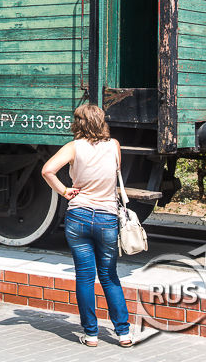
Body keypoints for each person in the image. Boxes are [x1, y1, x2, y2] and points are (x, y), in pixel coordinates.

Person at [41, 103, 133, 348]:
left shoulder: (73, 147)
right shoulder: (114, 146)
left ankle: (91, 334)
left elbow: (47, 170)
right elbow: (115, 170)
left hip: (78, 216)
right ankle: (123, 333)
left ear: (78, 123)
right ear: (101, 122)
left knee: (84, 276)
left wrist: (64, 191)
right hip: (106, 218)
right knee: (109, 276)